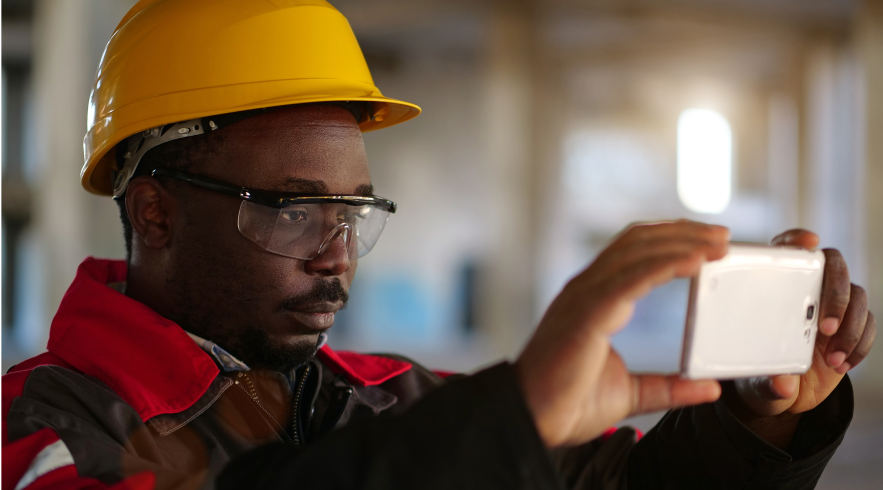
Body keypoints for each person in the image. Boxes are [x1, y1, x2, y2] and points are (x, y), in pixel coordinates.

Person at [1, 1, 875, 489]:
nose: (336, 254)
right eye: (294, 210)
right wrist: (506, 426)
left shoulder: (399, 401)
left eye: (353, 210)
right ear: (154, 214)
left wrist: (762, 422)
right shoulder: (45, 432)